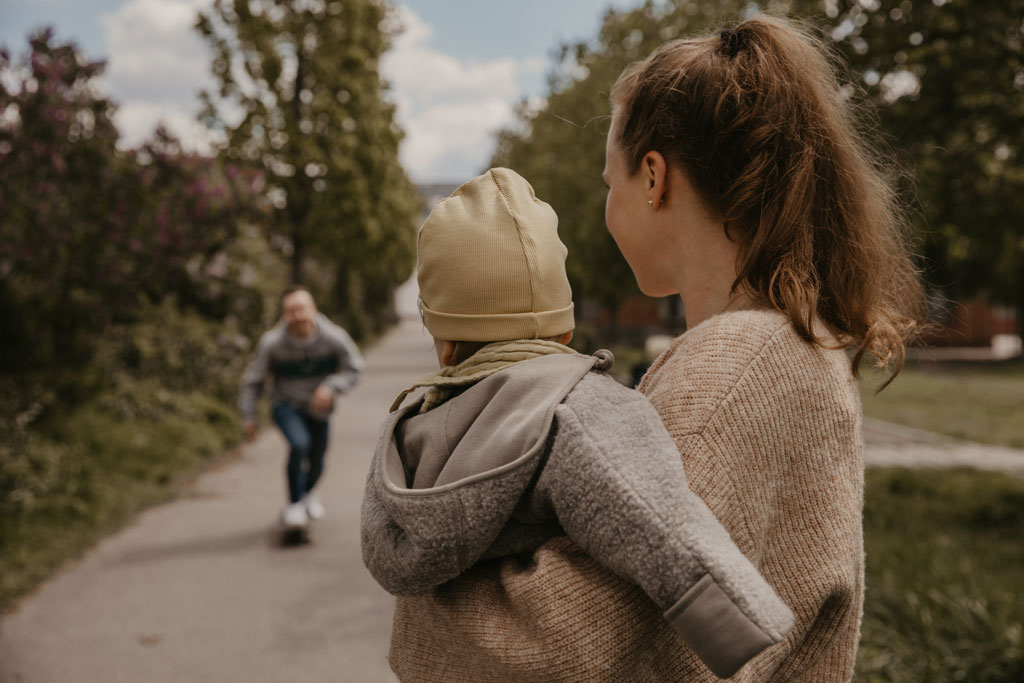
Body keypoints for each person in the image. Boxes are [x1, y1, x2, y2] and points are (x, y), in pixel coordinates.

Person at [384, 15, 925, 683]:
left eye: (608, 181)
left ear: (653, 178)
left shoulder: (731, 371)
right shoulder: (775, 344)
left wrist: (416, 594)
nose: (607, 205)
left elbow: (565, 653)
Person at [360, 167, 795, 679]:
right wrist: (743, 624)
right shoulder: (572, 410)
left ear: (447, 345)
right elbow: (652, 512)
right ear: (565, 330)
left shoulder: (408, 431)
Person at [240, 286, 364, 529]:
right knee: (299, 445)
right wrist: (249, 416)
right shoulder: (272, 343)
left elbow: (355, 367)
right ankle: (294, 505)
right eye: (290, 311)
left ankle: (308, 493)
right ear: (284, 315)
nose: (297, 316)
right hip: (285, 405)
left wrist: (331, 386)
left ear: (313, 309)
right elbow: (253, 380)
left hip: (319, 408)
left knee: (318, 459)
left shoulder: (333, 337)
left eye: (301, 309)